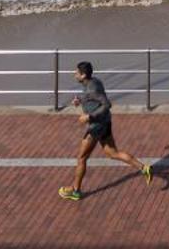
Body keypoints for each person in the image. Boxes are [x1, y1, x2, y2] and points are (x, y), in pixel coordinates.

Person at [59, 61, 151, 202]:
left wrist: (89, 116)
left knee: (82, 158)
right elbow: (92, 98)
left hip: (96, 127)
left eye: (77, 72)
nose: (74, 74)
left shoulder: (92, 89)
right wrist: (80, 101)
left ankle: (75, 190)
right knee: (112, 153)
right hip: (105, 123)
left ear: (83, 75)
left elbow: (107, 104)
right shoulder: (94, 82)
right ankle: (143, 168)